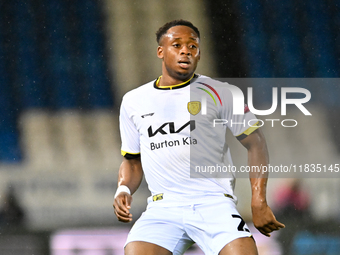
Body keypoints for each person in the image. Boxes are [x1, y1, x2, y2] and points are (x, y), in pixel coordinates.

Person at [113, 19, 285, 255]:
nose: (186, 50)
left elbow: (256, 144)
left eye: (192, 46)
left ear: (199, 54)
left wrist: (259, 200)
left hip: (214, 203)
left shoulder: (222, 92)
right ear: (160, 52)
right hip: (163, 207)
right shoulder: (134, 101)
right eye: (177, 45)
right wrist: (123, 189)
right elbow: (132, 160)